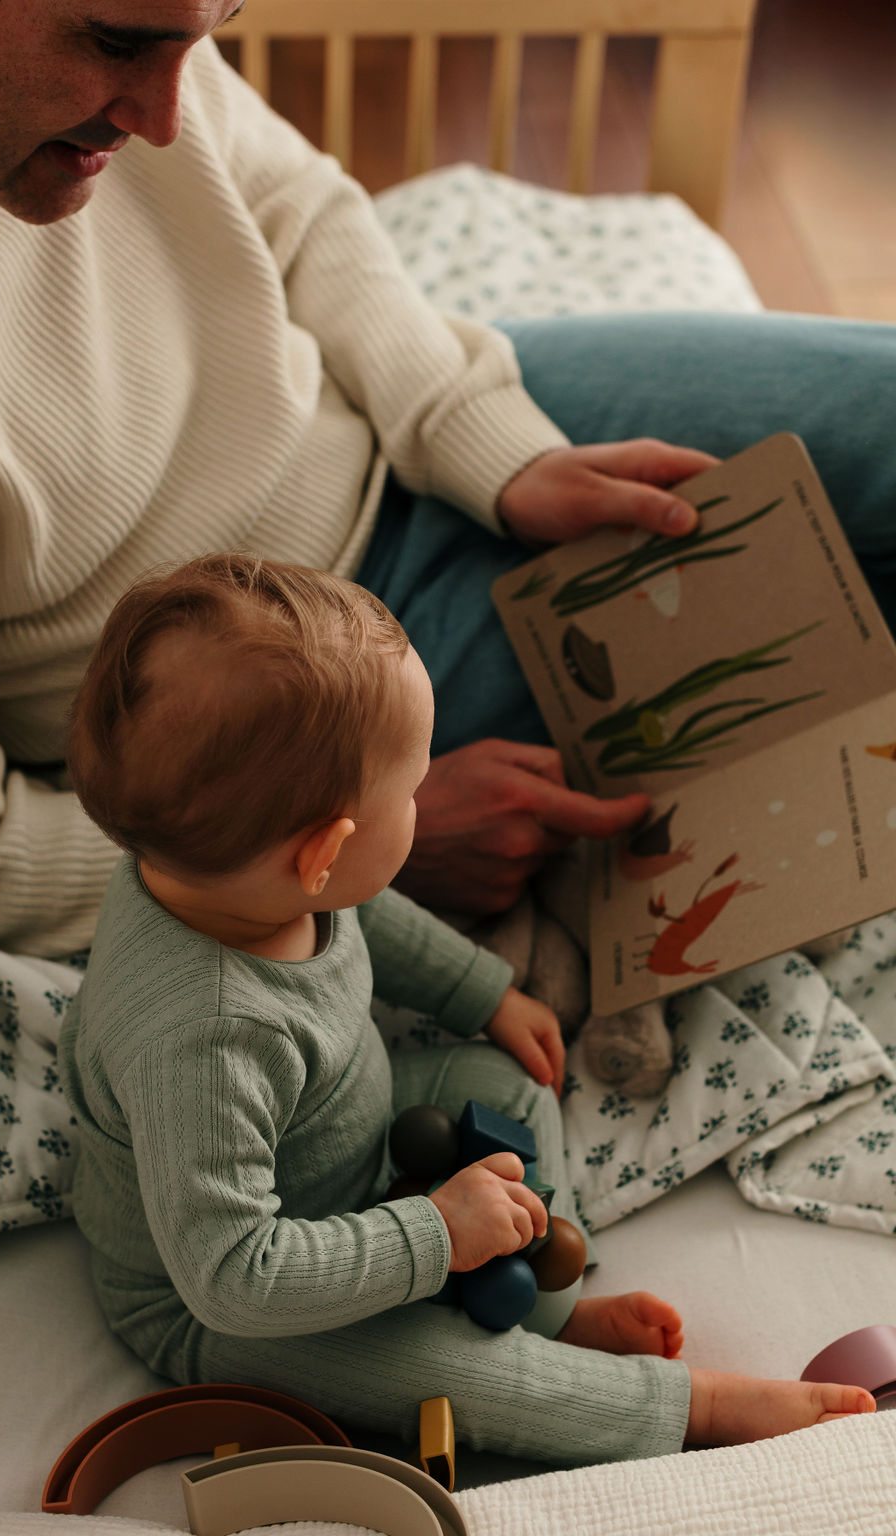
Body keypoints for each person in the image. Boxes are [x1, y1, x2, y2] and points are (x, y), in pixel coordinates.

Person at [0, 2, 894, 963]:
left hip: (413, 440)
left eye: (210, 37)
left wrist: (485, 438)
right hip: (291, 714)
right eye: (115, 42)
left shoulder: (141, 62)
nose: (168, 122)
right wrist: (324, 856)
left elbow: (291, 202)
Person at [58, 551, 873, 1466]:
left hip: (342, 1144)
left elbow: (366, 908)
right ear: (322, 853)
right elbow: (233, 1276)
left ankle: (546, 1302)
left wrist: (483, 995)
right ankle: (695, 1408)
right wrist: (436, 1232)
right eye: (412, 791)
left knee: (505, 1083)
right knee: (453, 1371)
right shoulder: (205, 1041)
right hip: (222, 1300)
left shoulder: (213, 868)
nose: (426, 794)